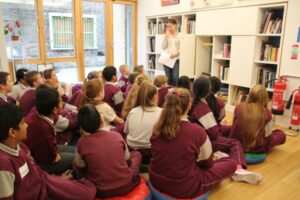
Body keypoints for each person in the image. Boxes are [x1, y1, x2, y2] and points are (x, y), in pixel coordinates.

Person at [149, 88, 237, 198]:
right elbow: (207, 164)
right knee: (231, 163)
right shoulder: (196, 131)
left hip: (156, 179)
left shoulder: (157, 127)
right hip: (184, 187)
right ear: (189, 106)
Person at [0, 104, 96, 200]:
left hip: (44, 182)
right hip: (40, 193)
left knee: (88, 189)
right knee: (87, 192)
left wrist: (57, 180)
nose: (26, 125)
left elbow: (36, 171)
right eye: (22, 123)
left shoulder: (21, 146)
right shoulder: (4, 165)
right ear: (12, 132)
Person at [189, 77, 263, 184]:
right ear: (208, 90)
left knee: (230, 129)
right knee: (235, 143)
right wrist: (221, 131)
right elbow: (214, 134)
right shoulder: (203, 108)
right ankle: (238, 170)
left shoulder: (192, 102)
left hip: (199, 137)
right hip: (206, 140)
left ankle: (222, 154)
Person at [74, 104, 142, 198]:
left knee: (75, 164)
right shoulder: (116, 135)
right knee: (136, 154)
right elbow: (127, 160)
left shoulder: (81, 143)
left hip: (100, 191)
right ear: (101, 120)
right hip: (126, 185)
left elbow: (81, 167)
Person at [24, 84, 75, 175]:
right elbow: (50, 159)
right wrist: (55, 155)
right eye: (60, 101)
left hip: (45, 149)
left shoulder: (39, 110)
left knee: (76, 151)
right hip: (39, 163)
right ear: (55, 110)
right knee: (77, 158)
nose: (62, 103)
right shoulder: (42, 128)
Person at [229, 85, 286, 153]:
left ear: (250, 95)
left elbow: (234, 126)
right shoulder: (267, 113)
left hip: (236, 143)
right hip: (256, 148)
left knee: (228, 128)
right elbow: (268, 137)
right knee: (281, 134)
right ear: (265, 98)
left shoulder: (239, 106)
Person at [124, 81, 161, 164]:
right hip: (152, 153)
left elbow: (126, 132)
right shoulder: (162, 113)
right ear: (155, 96)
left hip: (133, 152)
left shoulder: (133, 111)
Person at [162, 19, 180, 86]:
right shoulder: (167, 36)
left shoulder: (180, 35)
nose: (169, 28)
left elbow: (183, 48)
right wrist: (166, 37)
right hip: (167, 58)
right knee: (168, 79)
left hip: (176, 59)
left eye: (170, 26)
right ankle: (169, 93)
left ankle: (175, 93)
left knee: (175, 78)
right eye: (167, 26)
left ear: (175, 25)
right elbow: (163, 47)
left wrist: (177, 54)